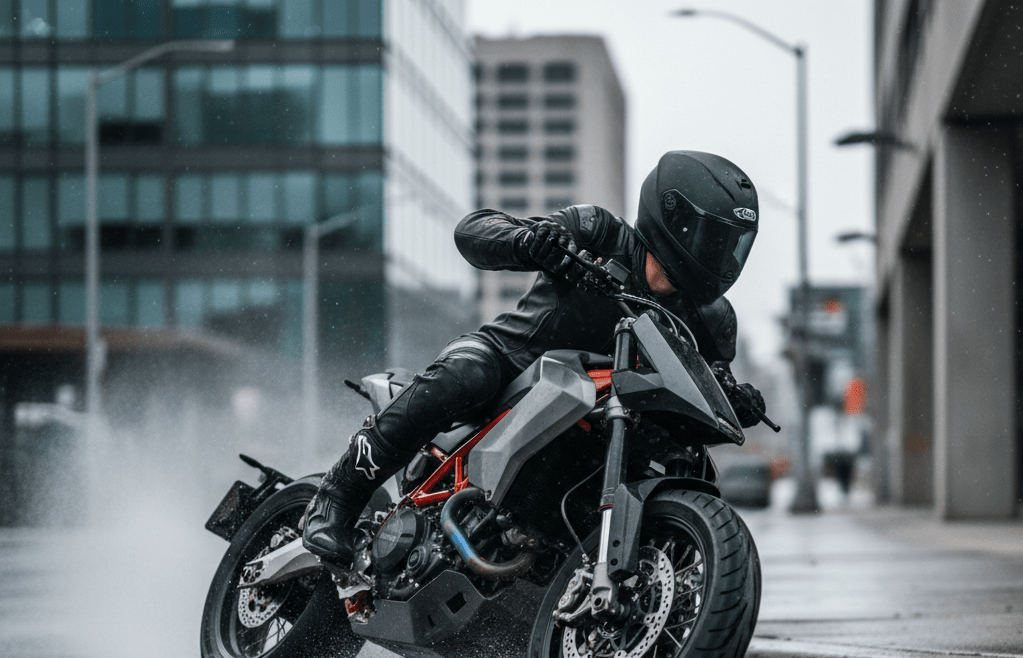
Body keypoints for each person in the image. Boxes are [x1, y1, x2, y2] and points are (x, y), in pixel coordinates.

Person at [302, 150, 767, 565]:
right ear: (676, 219)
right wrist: (529, 242)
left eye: (733, 244)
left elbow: (709, 379)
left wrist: (735, 399)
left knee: (691, 459)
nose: (723, 255)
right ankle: (337, 498)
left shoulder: (712, 319)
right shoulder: (600, 234)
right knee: (468, 374)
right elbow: (473, 230)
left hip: (601, 411)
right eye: (714, 238)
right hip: (511, 363)